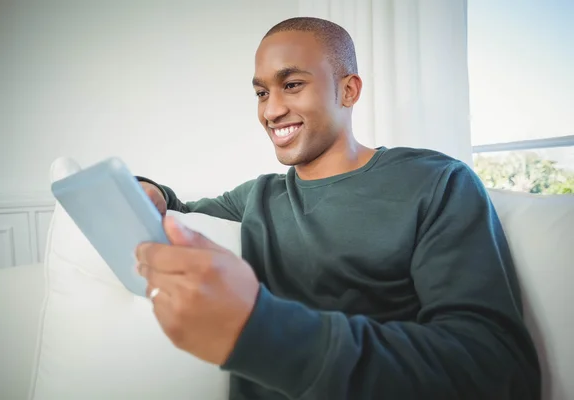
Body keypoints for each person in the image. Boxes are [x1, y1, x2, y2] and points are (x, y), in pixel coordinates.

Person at [134, 17, 541, 400]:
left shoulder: (436, 182)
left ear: (348, 90)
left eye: (292, 84)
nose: (271, 111)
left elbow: (495, 369)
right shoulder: (255, 197)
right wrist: (153, 191)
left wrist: (261, 330)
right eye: (261, 93)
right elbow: (181, 210)